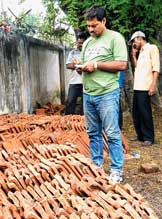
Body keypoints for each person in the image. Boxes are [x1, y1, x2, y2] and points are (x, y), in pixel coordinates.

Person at [79, 6, 128, 183]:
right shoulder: (87, 43)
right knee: (93, 133)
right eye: (88, 26)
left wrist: (97, 65)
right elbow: (87, 65)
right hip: (88, 93)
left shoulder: (115, 38)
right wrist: (81, 67)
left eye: (94, 25)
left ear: (104, 21)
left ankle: (116, 170)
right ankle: (96, 166)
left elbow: (122, 64)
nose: (91, 30)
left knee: (112, 133)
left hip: (107, 92)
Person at [130, 31, 160, 146]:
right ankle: (140, 136)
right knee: (136, 113)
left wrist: (153, 85)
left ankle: (149, 137)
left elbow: (156, 67)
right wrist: (133, 55)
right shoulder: (140, 52)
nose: (133, 43)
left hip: (145, 86)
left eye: (134, 41)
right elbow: (137, 68)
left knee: (145, 112)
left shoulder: (152, 48)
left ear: (139, 38)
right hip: (137, 86)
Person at [65, 32, 87, 115]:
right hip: (74, 82)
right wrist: (76, 65)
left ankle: (82, 123)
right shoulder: (73, 52)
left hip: (86, 81)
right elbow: (68, 65)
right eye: (79, 43)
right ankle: (67, 121)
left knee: (84, 104)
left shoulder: (89, 53)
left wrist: (81, 66)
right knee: (70, 101)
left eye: (82, 43)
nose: (80, 44)